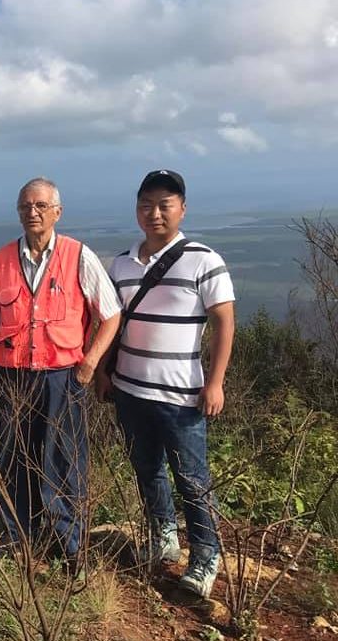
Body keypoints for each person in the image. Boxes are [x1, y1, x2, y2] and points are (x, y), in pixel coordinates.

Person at [96, 170, 234, 599]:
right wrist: (104, 373)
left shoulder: (203, 259)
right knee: (148, 469)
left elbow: (225, 321)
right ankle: (164, 536)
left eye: (164, 204)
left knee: (192, 478)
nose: (154, 213)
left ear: (182, 209)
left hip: (182, 394)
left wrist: (216, 382)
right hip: (130, 389)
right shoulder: (120, 264)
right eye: (146, 205)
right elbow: (110, 323)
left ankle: (206, 555)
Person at [0, 177, 120, 573]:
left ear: (57, 212)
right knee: (14, 457)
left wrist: (90, 364)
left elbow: (110, 314)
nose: (33, 212)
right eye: (26, 205)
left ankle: (70, 544)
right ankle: (19, 540)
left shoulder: (78, 255)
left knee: (64, 458)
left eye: (41, 205)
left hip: (64, 377)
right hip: (13, 377)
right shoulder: (1, 259)